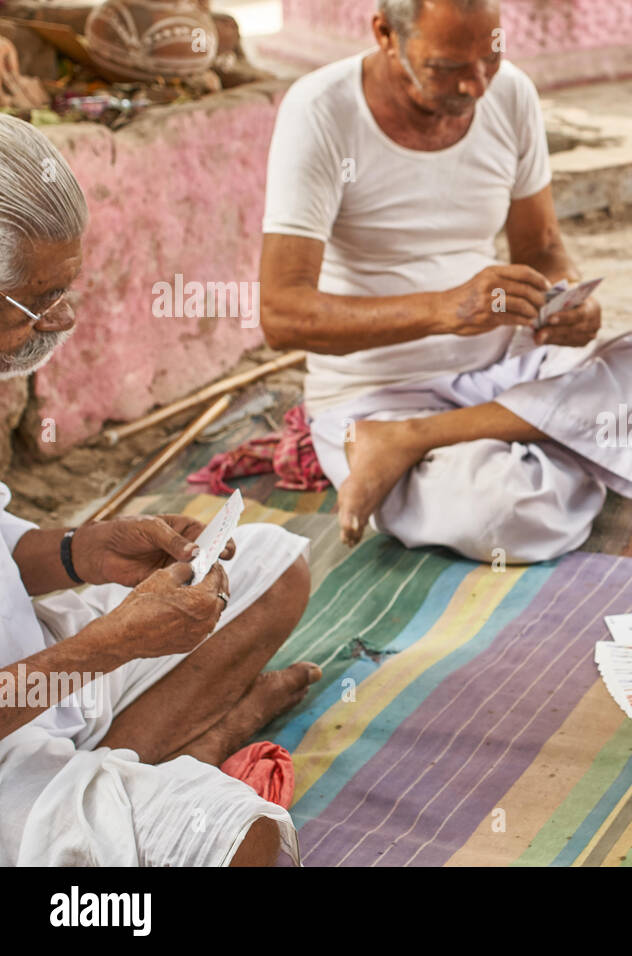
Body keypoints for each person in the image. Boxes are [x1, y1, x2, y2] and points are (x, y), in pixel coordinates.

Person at [259, 0, 632, 561]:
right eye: (446, 67)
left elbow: (542, 249)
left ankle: (415, 443)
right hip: (375, 397)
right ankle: (610, 435)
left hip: (510, 373)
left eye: (489, 58)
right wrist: (445, 311)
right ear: (385, 34)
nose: (474, 86)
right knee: (504, 515)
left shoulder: (511, 92)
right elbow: (281, 314)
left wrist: (567, 300)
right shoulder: (321, 109)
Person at [0, 114, 320, 866]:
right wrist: (107, 649)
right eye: (34, 302)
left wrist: (82, 552)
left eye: (65, 289)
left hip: (42, 682)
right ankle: (191, 749)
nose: (60, 320)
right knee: (251, 847)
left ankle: (121, 774)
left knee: (272, 566)